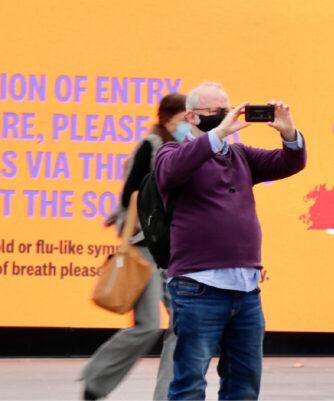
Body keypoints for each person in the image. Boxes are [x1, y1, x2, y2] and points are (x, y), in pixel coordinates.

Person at [154, 81, 307, 400]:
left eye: (228, 109)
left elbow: (289, 163)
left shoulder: (241, 156)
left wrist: (289, 133)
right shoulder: (172, 153)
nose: (226, 116)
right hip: (197, 288)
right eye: (216, 112)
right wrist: (219, 133)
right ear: (192, 118)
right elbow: (171, 172)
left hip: (246, 290)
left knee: (244, 384)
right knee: (189, 384)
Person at [82, 93, 188, 401]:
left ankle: (168, 395)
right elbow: (130, 194)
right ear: (168, 119)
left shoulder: (185, 149)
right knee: (148, 326)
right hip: (143, 248)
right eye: (183, 119)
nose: (188, 125)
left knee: (181, 326)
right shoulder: (150, 147)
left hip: (173, 251)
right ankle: (96, 380)